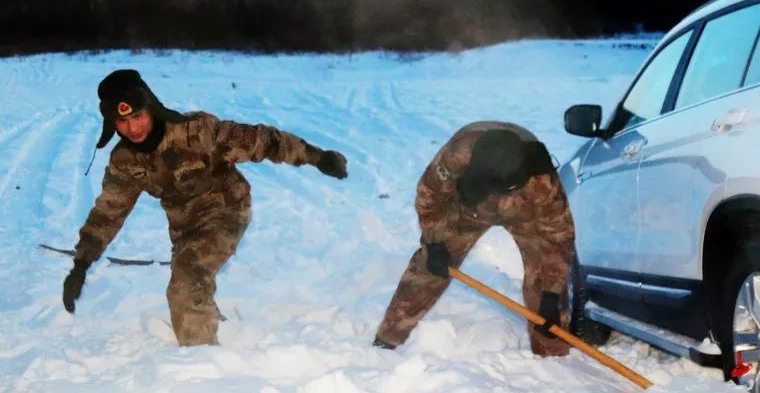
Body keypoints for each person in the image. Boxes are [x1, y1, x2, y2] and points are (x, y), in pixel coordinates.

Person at [62, 69, 348, 346]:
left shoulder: (196, 132)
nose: (133, 128)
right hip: (185, 230)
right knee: (189, 274)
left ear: (151, 108)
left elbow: (263, 141)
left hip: (226, 210)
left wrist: (317, 157)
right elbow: (108, 212)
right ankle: (212, 325)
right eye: (122, 121)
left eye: (137, 116)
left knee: (186, 281)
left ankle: (201, 361)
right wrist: (81, 263)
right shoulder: (125, 161)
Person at [374, 122, 575, 356]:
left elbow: (558, 238)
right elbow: (430, 197)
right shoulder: (457, 155)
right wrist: (435, 241)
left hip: (525, 212)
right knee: (430, 267)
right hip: (469, 209)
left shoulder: (542, 181)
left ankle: (552, 357)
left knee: (547, 287)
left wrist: (551, 293)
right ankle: (387, 340)